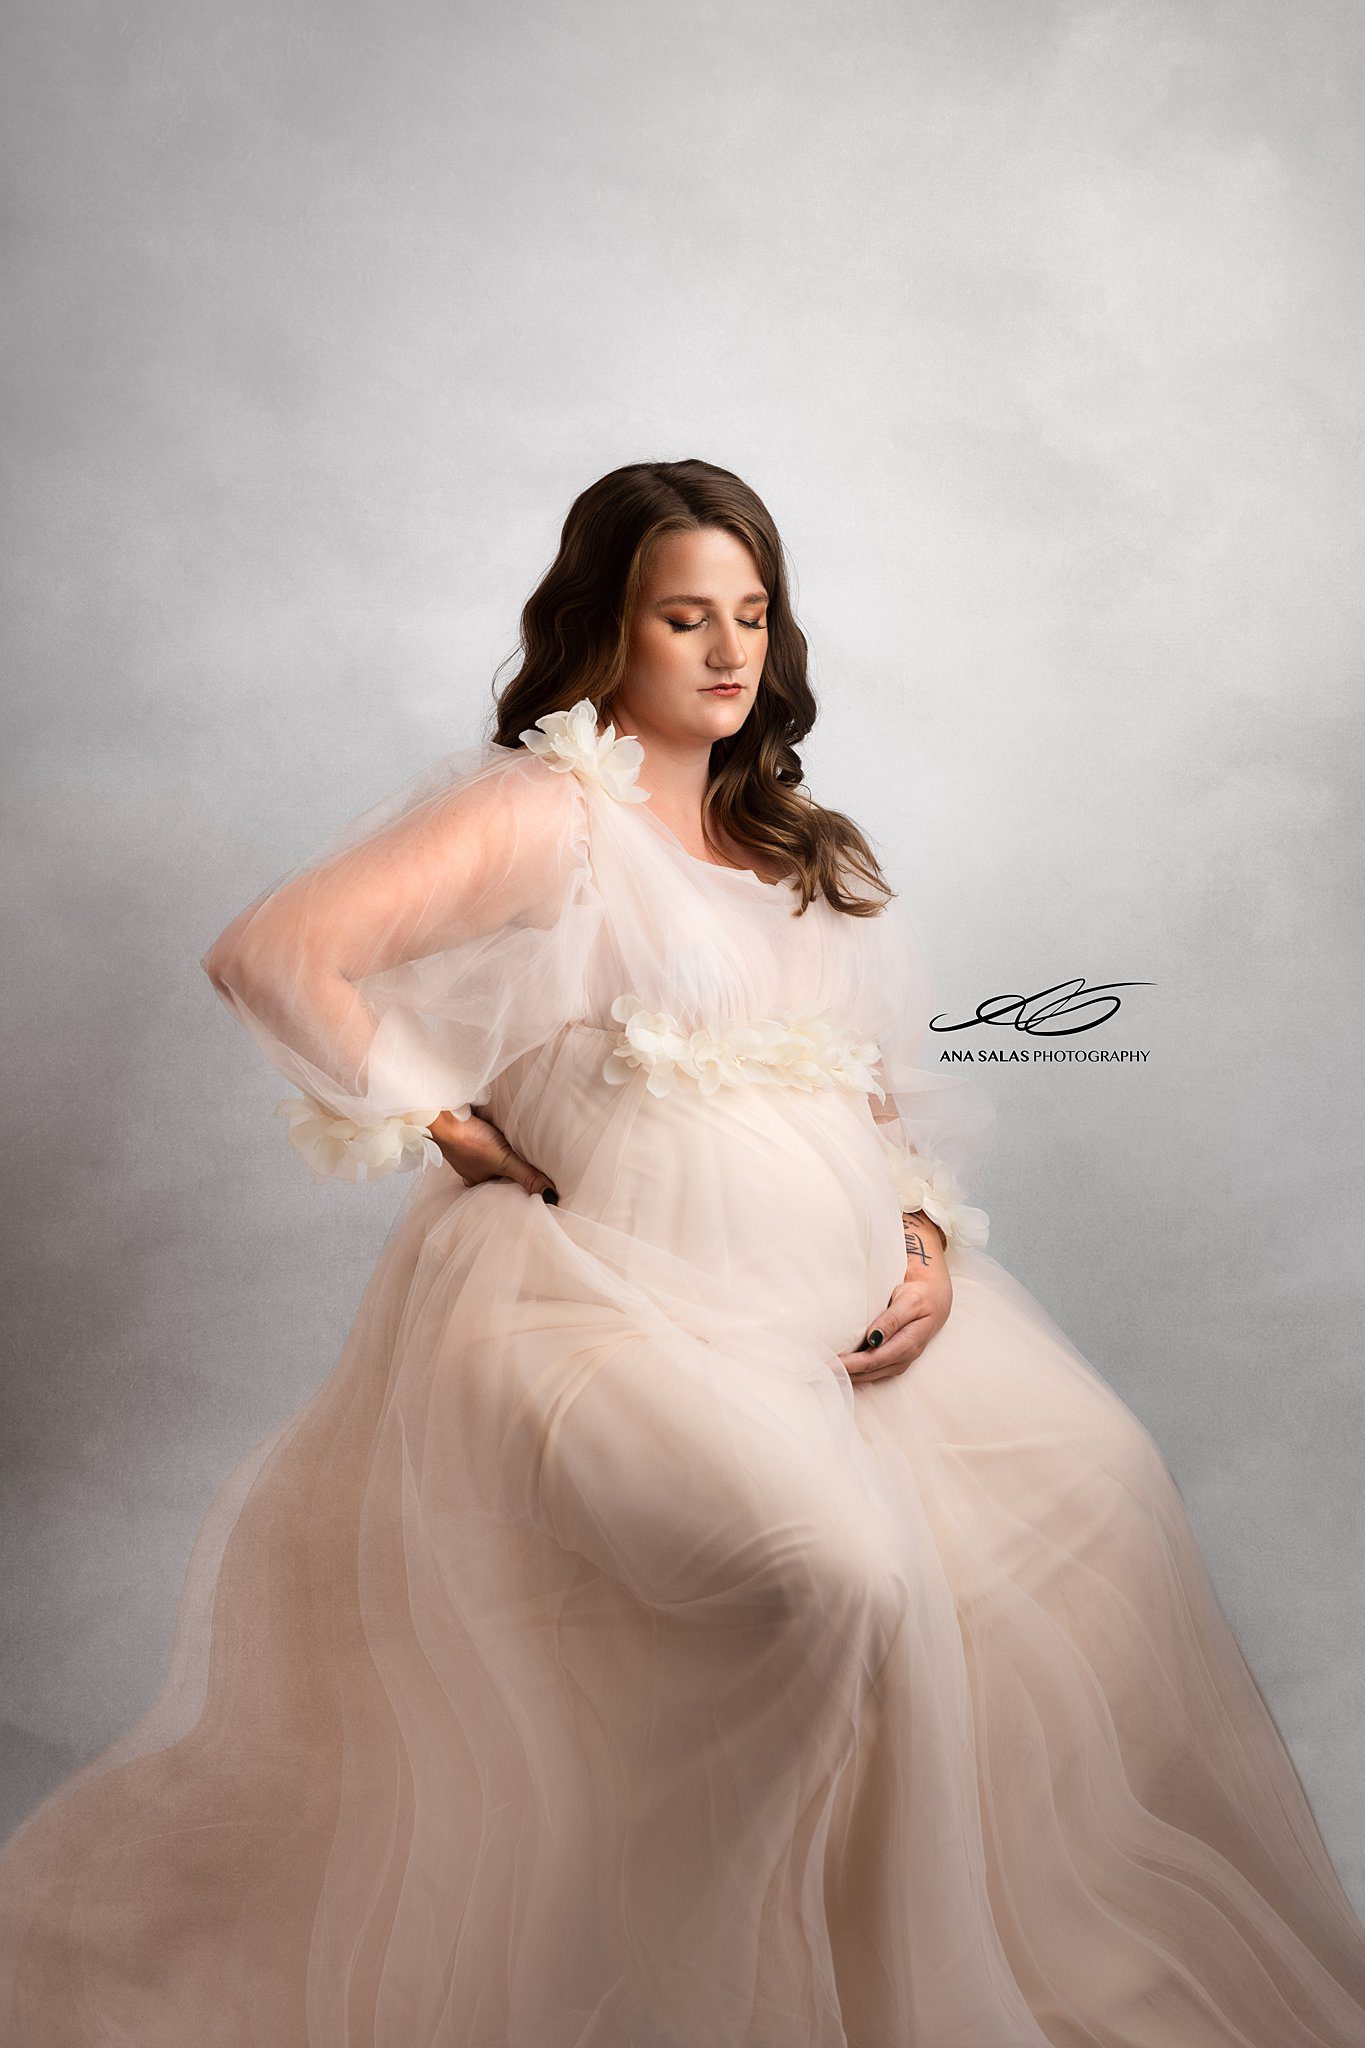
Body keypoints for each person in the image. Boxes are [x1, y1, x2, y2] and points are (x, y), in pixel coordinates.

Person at [1, 458, 1362, 2048]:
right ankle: (659, 1984)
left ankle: (844, 1985)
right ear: (605, 631)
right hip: (603, 1307)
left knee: (1088, 1507)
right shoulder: (547, 815)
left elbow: (880, 1091)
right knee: (824, 1583)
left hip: (830, 1330)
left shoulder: (803, 850)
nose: (725, 652)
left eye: (750, 615)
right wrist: (444, 1121)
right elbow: (276, 953)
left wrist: (922, 1236)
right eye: (681, 618)